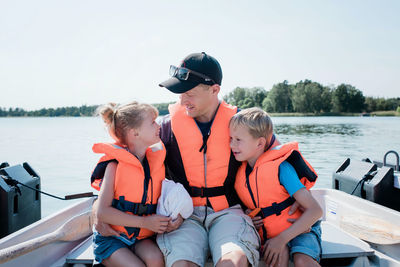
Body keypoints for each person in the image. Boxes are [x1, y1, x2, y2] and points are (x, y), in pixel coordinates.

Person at [156, 52, 263, 267]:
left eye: (189, 93)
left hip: (229, 212)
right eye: (179, 93)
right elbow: (127, 168)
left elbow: (280, 163)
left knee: (234, 261)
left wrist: (268, 212)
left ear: (214, 90)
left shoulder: (247, 124)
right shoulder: (163, 128)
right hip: (183, 217)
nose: (182, 100)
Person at [229, 107, 323, 267]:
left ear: (259, 143)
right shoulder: (241, 174)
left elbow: (315, 210)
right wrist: (249, 216)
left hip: (301, 230)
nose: (232, 145)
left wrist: (282, 239)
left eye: (238, 140)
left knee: (302, 261)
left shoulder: (282, 169)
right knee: (277, 258)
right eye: (231, 138)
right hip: (272, 234)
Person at [91, 101, 170, 267]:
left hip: (141, 238)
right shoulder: (114, 166)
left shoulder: (155, 161)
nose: (158, 125)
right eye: (152, 123)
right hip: (112, 239)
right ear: (135, 133)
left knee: (156, 260)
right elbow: (102, 212)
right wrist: (145, 223)